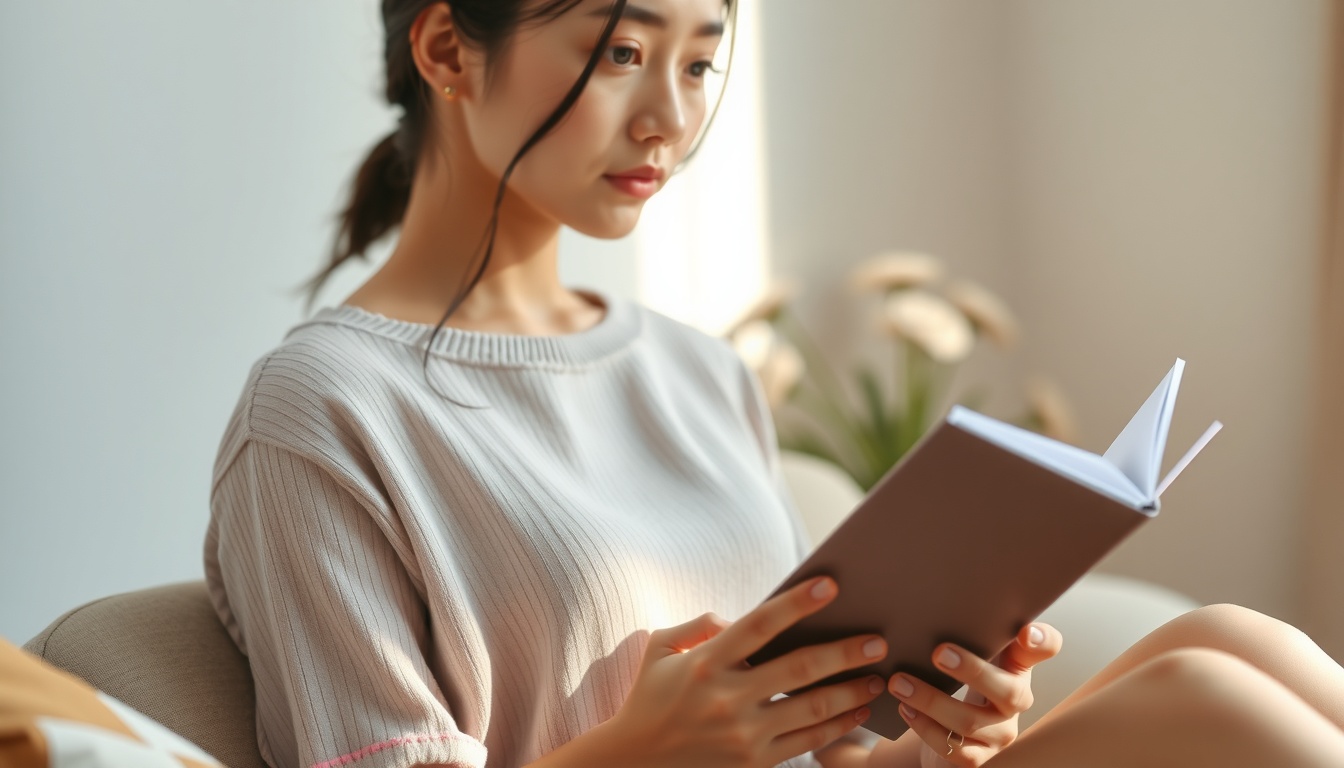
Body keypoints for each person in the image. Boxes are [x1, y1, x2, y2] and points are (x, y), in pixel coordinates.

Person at [203, 1, 1344, 766]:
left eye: (701, 62)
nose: (672, 117)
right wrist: (637, 752)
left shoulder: (695, 372)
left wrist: (946, 726)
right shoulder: (321, 413)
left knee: (1243, 644)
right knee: (1219, 706)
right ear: (449, 51)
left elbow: (823, 740)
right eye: (623, 54)